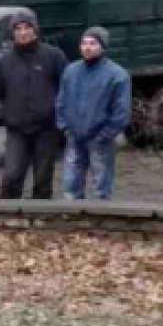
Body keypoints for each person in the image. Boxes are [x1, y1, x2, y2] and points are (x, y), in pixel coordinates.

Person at [0, 10, 68, 199]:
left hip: (47, 128)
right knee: (12, 175)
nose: (23, 32)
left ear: (35, 30)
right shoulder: (3, 61)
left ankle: (40, 221)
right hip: (16, 129)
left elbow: (68, 87)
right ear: (13, 32)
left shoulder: (53, 56)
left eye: (27, 27)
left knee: (42, 179)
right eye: (18, 28)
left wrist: (58, 113)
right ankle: (6, 220)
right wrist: (2, 114)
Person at [56, 26, 132, 200]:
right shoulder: (71, 71)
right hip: (74, 136)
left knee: (101, 187)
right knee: (70, 185)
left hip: (100, 139)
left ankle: (101, 221)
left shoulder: (117, 75)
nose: (87, 47)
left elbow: (121, 111)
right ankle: (72, 218)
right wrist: (65, 128)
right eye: (84, 43)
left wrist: (105, 135)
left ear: (103, 47)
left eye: (93, 43)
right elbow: (61, 101)